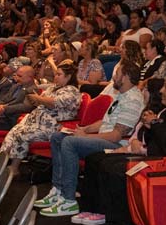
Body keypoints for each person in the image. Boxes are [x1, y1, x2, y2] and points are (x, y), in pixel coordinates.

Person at [74, 75, 166, 225]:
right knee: (97, 159)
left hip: (164, 163)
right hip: (151, 156)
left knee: (116, 169)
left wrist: (154, 124)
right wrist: (148, 126)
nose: (161, 91)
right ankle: (106, 215)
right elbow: (153, 138)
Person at [37, 63, 145, 217]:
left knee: (69, 142)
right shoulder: (122, 95)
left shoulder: (133, 100)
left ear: (126, 77)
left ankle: (68, 200)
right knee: (58, 137)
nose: (113, 77)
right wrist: (84, 129)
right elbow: (105, 122)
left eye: (117, 74)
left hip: (115, 145)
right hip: (105, 138)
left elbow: (116, 135)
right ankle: (58, 189)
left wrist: (85, 137)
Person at [0, 59, 83, 159]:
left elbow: (54, 103)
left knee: (20, 134)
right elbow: (41, 100)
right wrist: (36, 100)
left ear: (68, 77)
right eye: (56, 74)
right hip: (37, 122)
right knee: (14, 130)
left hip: (54, 126)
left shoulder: (72, 91)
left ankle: (12, 165)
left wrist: (38, 99)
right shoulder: (52, 88)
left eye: (59, 74)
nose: (55, 77)